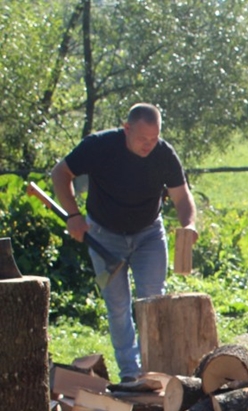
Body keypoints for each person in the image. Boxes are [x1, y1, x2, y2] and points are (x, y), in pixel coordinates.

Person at [51, 103, 198, 383]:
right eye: (143, 139)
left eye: (154, 139)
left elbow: (181, 197)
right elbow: (60, 173)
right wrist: (73, 215)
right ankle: (130, 375)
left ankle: (153, 370)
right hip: (103, 235)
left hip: (149, 235)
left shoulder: (164, 154)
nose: (149, 145)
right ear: (126, 128)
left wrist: (188, 223)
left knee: (152, 301)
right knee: (117, 305)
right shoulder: (99, 146)